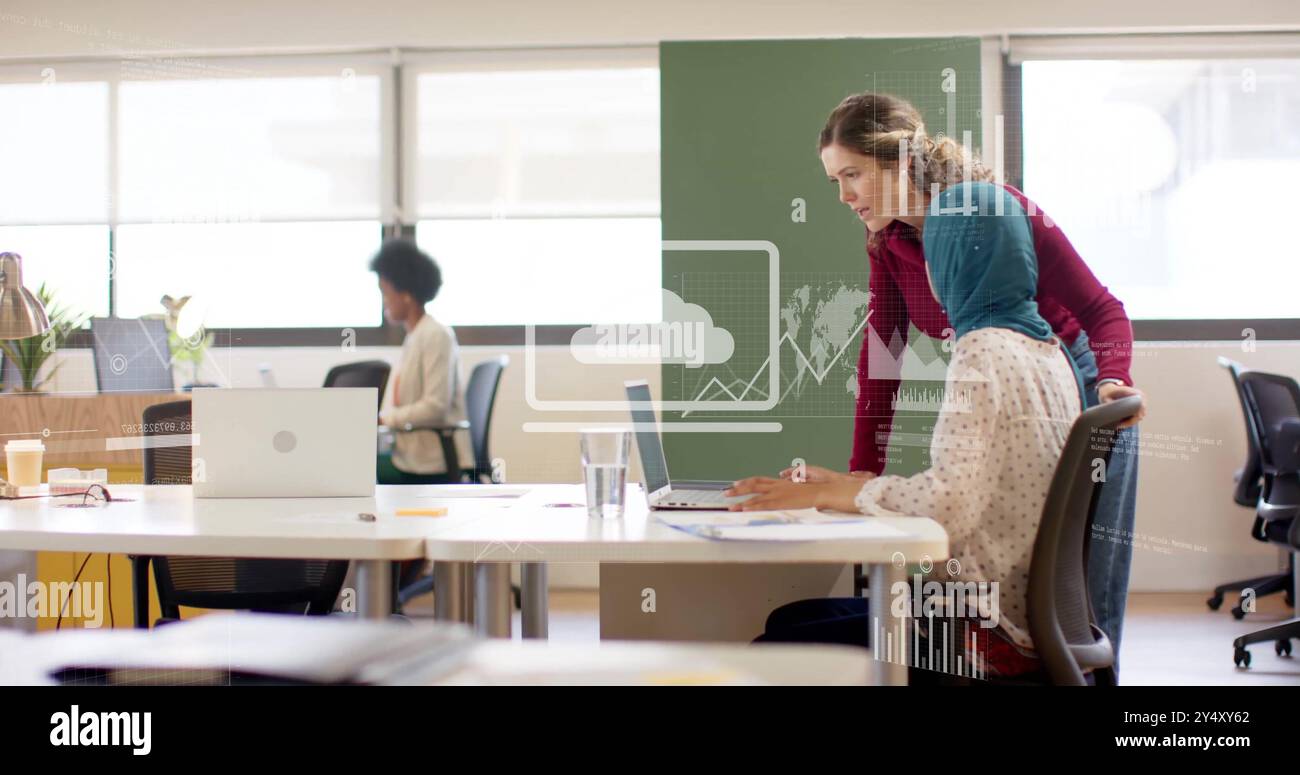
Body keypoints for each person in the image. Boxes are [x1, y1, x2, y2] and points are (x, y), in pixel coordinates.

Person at [770, 92, 1144, 665]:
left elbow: (1103, 310)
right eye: (834, 181)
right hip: (1011, 384)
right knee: (1035, 587)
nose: (843, 196)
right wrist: (860, 472)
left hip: (1076, 388)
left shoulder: (997, 214)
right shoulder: (889, 240)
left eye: (853, 174)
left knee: (1080, 597)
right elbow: (882, 358)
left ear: (898, 163)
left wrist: (1113, 380)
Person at [730, 181, 1084, 679]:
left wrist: (837, 496)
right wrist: (852, 487)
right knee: (794, 618)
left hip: (978, 634)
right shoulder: (1049, 351)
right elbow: (979, 483)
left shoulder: (981, 351)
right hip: (1025, 618)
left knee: (776, 647)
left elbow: (949, 507)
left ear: (946, 263)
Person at [370, 240, 466, 485]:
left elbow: (435, 406)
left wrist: (385, 419)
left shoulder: (435, 335)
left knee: (358, 473)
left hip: (427, 462)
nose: (384, 301)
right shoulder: (414, 337)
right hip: (407, 453)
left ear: (406, 294)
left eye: (386, 292)